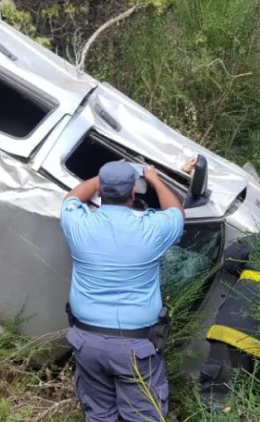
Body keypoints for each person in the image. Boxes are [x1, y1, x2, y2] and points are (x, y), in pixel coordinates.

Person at [60, 161, 185, 421]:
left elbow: (71, 198)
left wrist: (103, 178)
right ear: (133, 193)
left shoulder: (78, 225)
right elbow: (176, 212)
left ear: (101, 192)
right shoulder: (150, 230)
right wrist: (154, 179)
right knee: (142, 416)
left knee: (99, 416)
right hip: (135, 348)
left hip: (87, 343)